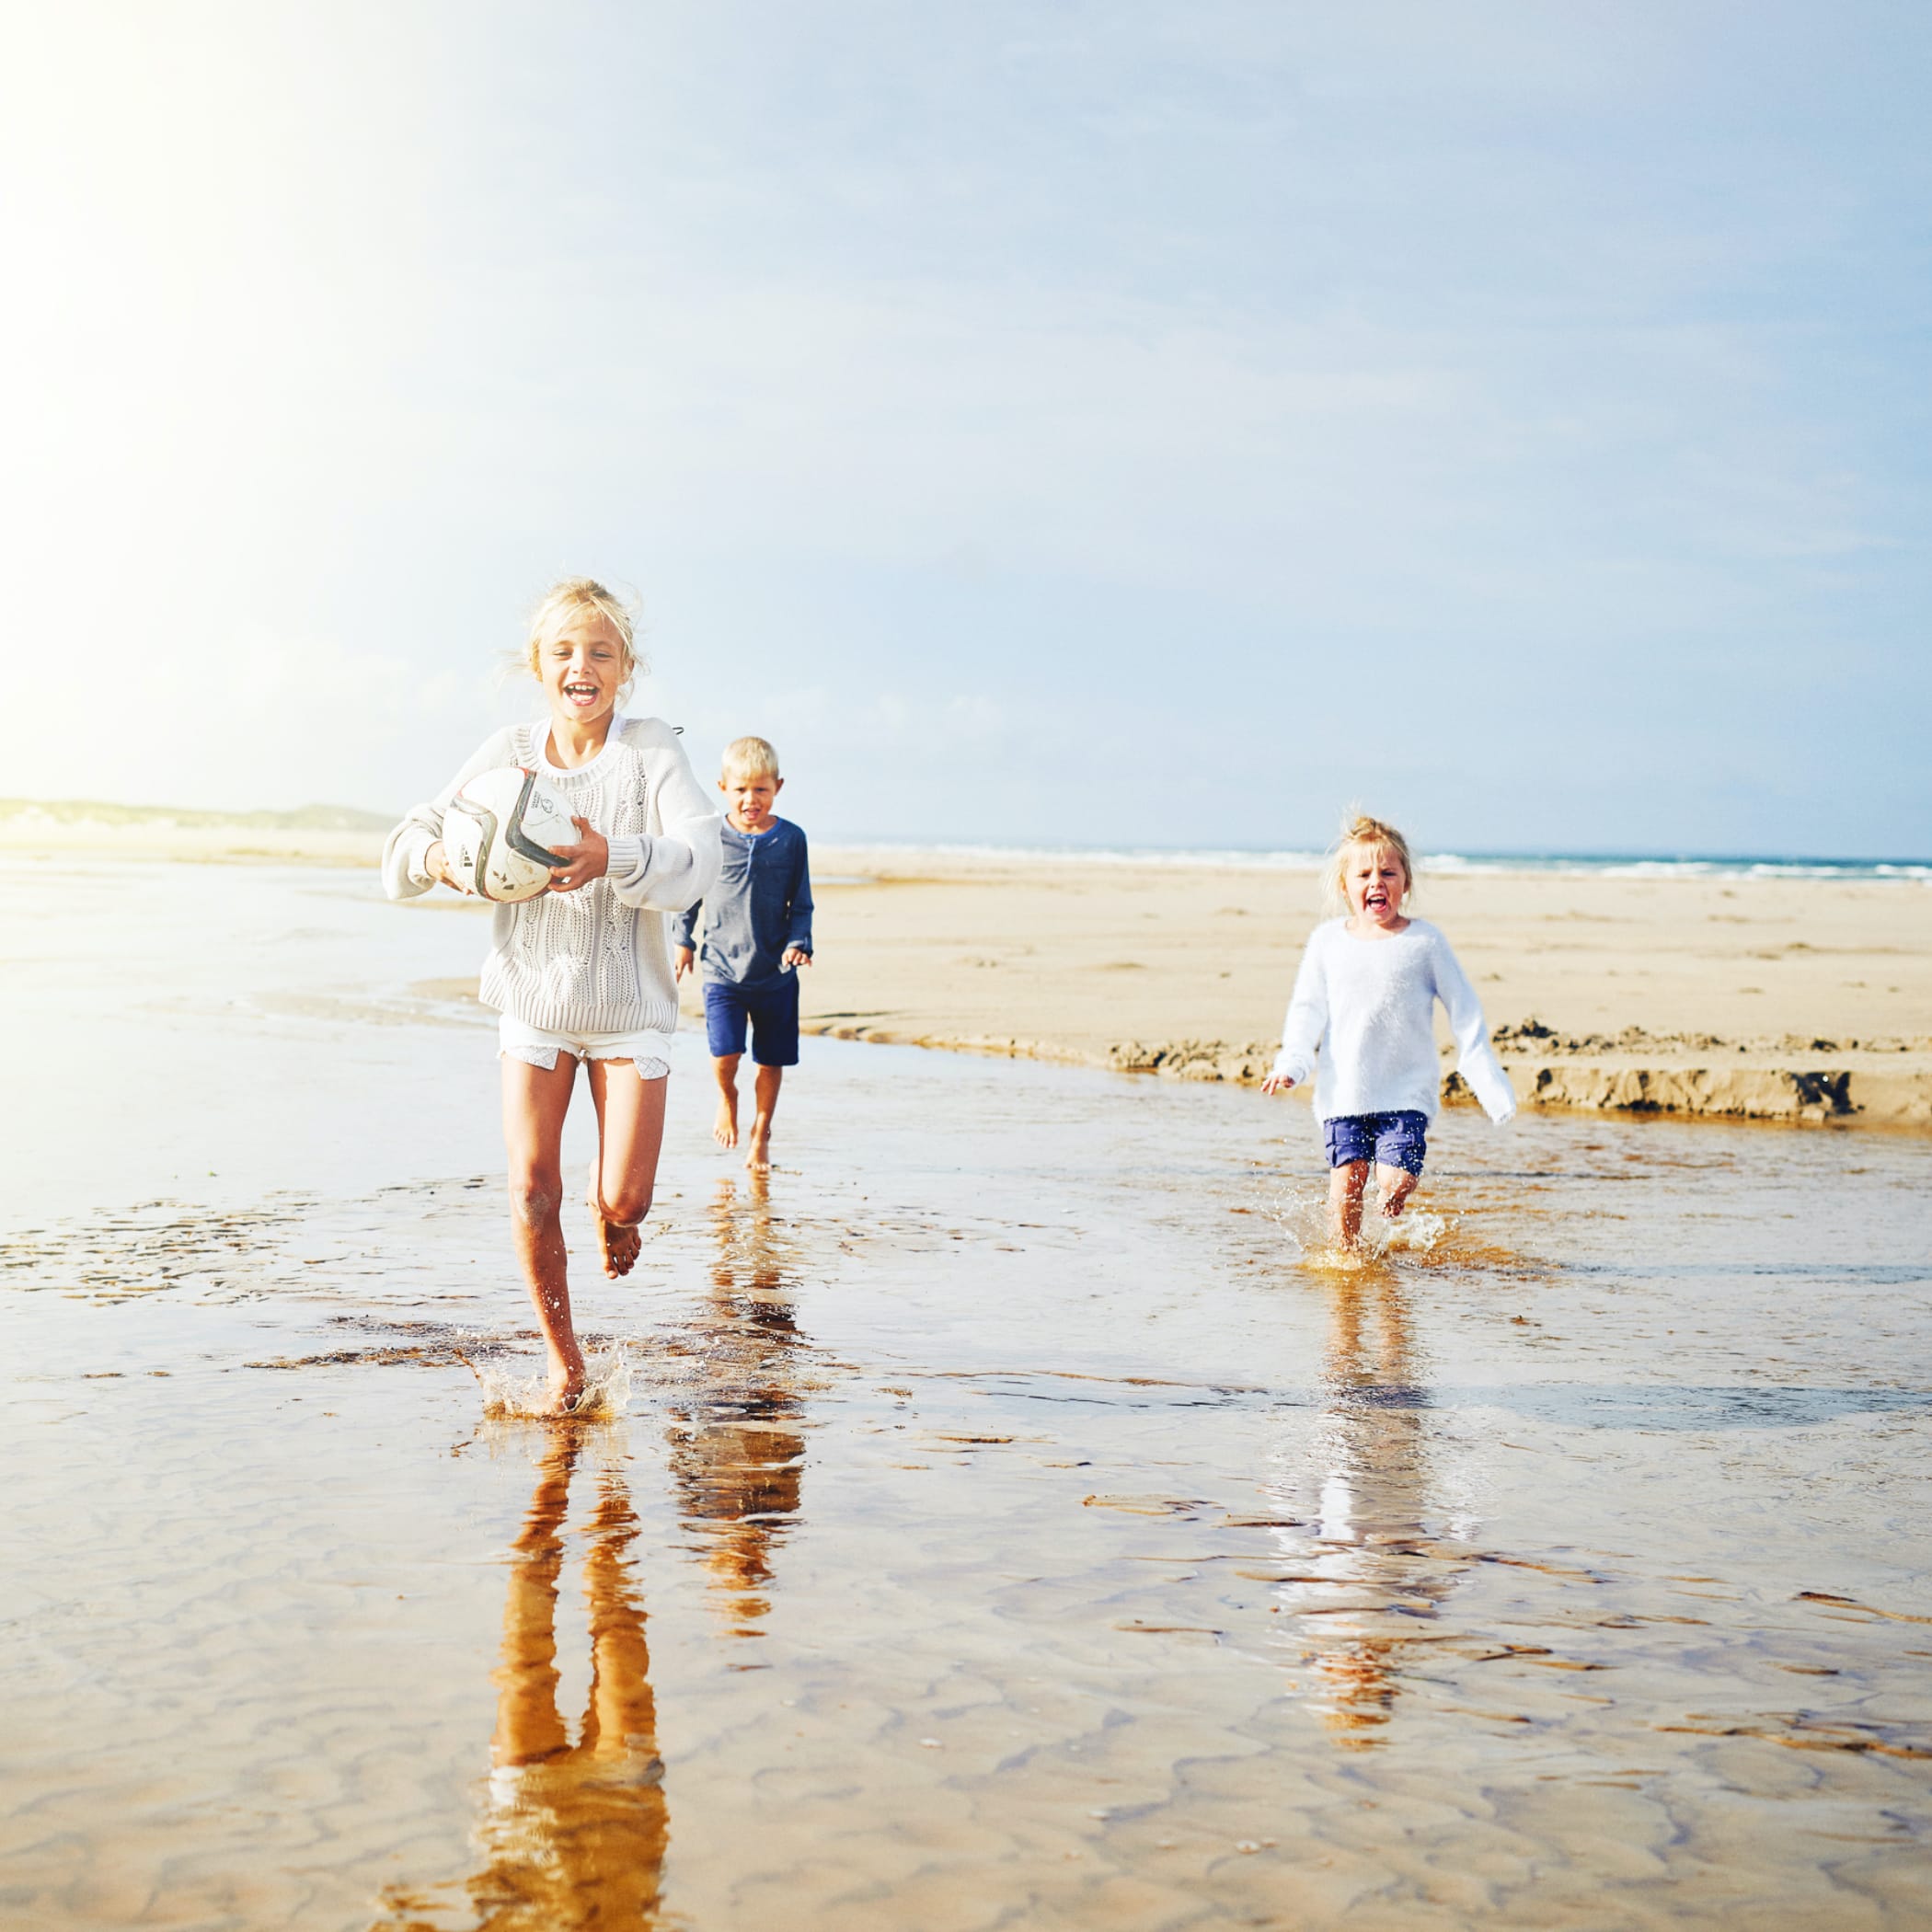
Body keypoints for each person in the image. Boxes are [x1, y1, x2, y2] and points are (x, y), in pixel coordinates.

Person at [383, 578, 720, 1414]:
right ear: (539, 666)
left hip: (629, 1012)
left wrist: (618, 856)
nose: (583, 666)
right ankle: (564, 1362)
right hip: (534, 1005)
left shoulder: (649, 752)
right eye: (565, 652)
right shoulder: (508, 753)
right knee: (532, 1190)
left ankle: (620, 1215)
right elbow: (407, 839)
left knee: (622, 1196)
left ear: (625, 669)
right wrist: (440, 862)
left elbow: (705, 857)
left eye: (601, 652)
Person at [1261, 812, 1515, 1249]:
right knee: (1346, 1187)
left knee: (1395, 1180)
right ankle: (1348, 1270)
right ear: (1345, 887)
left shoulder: (1424, 942)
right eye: (1364, 874)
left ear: (1406, 883)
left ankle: (1391, 1204)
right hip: (1345, 1092)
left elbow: (1465, 1008)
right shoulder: (1327, 942)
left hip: (1405, 1092)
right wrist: (1293, 1063)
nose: (1376, 881)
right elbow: (1306, 1012)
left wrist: (1486, 1080)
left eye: (1388, 872)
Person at [673, 736, 813, 1172]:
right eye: (740, 790)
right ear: (723, 787)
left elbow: (801, 902)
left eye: (761, 790)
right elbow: (691, 894)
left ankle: (761, 1134)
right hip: (721, 971)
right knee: (725, 1054)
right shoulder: (712, 836)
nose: (750, 800)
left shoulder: (791, 840)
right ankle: (727, 1098)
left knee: (770, 1062)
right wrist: (683, 940)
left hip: (774, 974)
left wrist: (798, 942)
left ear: (778, 787)